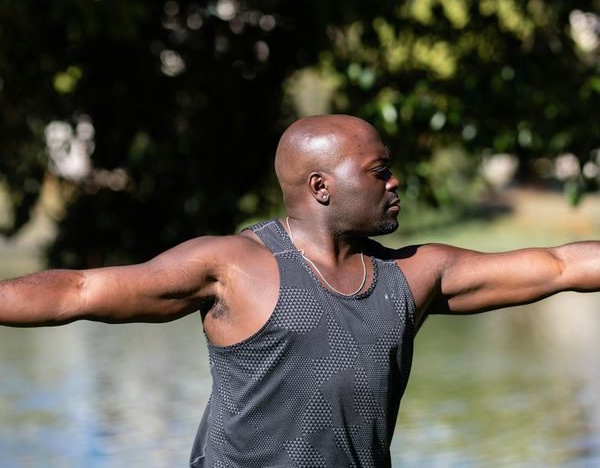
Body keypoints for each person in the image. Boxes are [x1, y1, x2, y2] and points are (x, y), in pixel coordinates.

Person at [1, 114, 600, 468]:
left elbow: (557, 265)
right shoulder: (233, 265)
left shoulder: (415, 276)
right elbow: (78, 290)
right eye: (378, 171)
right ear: (320, 186)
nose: (396, 182)